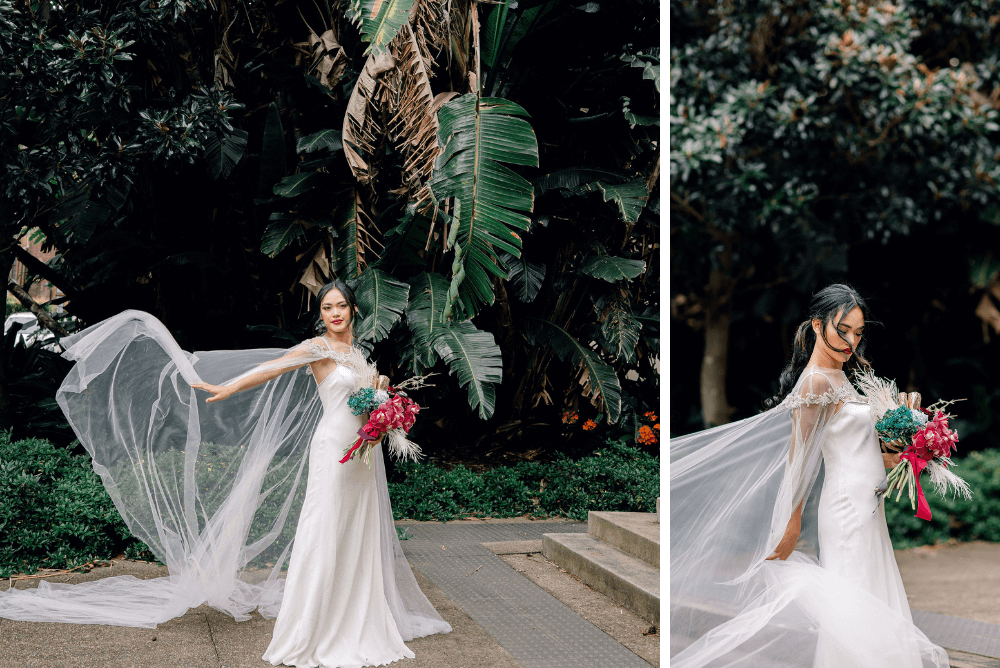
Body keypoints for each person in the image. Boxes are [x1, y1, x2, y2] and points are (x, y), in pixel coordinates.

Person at [0, 282, 452, 663]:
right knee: (326, 530)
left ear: (354, 310)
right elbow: (270, 369)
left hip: (362, 456)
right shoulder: (316, 349)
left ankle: (358, 615)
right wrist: (227, 385)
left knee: (357, 533)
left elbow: (376, 392)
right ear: (322, 314)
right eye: (326, 307)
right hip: (332, 450)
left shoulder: (356, 353)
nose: (334, 312)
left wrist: (386, 411)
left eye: (340, 305)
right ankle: (315, 627)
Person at [670, 284, 950, 667]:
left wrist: (902, 457)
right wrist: (792, 520)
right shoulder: (817, 380)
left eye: (858, 333)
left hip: (869, 506)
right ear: (817, 326)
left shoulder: (842, 377)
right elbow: (800, 456)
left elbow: (850, 446)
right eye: (843, 330)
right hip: (846, 510)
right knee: (853, 597)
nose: (851, 341)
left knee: (869, 591)